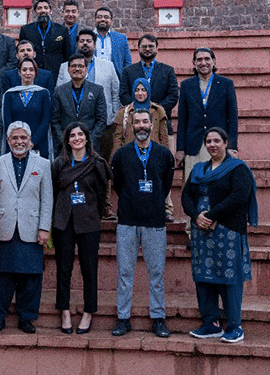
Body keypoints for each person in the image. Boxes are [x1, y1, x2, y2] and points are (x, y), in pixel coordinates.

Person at [183, 127, 257, 344]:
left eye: (217, 141)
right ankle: (211, 324)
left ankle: (234, 326)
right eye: (208, 141)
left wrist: (212, 215)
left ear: (226, 143)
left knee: (229, 278)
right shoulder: (198, 169)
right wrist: (196, 216)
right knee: (203, 277)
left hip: (228, 231)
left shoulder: (237, 168)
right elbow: (186, 196)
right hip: (201, 232)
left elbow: (239, 197)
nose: (212, 145)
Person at [110, 108, 175, 338]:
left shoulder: (164, 154)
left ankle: (158, 318)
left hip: (154, 220)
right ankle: (123, 318)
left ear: (152, 125)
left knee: (156, 272)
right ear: (131, 126)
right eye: (136, 122)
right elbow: (118, 184)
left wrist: (153, 202)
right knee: (125, 272)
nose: (141, 126)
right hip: (127, 220)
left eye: (145, 122)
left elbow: (166, 184)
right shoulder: (121, 154)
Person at [0, 122, 52, 334]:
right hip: (4, 227)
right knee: (2, 278)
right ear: (8, 141)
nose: (19, 141)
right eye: (14, 138)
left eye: (23, 137)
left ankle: (27, 317)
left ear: (30, 140)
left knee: (30, 277)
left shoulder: (43, 164)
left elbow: (47, 199)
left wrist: (44, 227)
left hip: (31, 228)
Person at [50, 122, 111, 335]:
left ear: (86, 138)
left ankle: (88, 312)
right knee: (64, 268)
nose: (77, 138)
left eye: (80, 134)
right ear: (67, 140)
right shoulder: (59, 164)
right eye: (72, 135)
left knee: (89, 269)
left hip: (89, 220)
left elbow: (102, 194)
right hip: (64, 220)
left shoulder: (97, 163)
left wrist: (94, 212)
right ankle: (64, 311)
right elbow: (54, 190)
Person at [176, 47, 239, 185]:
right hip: (194, 145)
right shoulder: (187, 85)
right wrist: (180, 149)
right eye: (199, 59)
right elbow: (182, 120)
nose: (203, 63)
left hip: (218, 144)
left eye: (207, 59)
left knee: (217, 185)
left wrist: (232, 147)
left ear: (213, 61)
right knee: (193, 186)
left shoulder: (226, 84)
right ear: (194, 63)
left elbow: (233, 118)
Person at [56, 29, 120, 140]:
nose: (85, 43)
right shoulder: (64, 67)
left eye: (89, 41)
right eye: (82, 41)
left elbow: (116, 93)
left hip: (104, 124)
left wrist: (113, 116)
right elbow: (59, 95)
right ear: (77, 44)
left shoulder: (108, 66)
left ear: (94, 44)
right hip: (71, 127)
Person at [120, 34, 179, 136]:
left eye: (151, 46)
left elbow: (173, 96)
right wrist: (140, 110)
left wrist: (154, 110)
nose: (147, 49)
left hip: (161, 121)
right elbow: (124, 95)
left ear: (157, 49)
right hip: (135, 124)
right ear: (138, 49)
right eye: (144, 46)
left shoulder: (168, 70)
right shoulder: (128, 71)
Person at [51, 54, 107, 157]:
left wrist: (88, 141)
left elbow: (102, 119)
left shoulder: (97, 90)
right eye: (74, 66)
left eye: (81, 66)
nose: (77, 69)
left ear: (86, 69)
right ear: (68, 69)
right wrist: (65, 141)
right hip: (65, 148)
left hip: (91, 147)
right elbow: (55, 120)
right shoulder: (59, 91)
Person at [2, 58, 53, 159]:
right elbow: (8, 122)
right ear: (19, 72)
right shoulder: (10, 94)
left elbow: (45, 121)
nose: (28, 73)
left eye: (31, 70)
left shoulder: (43, 93)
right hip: (15, 145)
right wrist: (19, 141)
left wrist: (32, 142)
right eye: (24, 70)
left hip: (38, 145)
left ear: (35, 72)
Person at [18, 0, 71, 82]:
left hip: (55, 72)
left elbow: (67, 54)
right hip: (33, 72)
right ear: (35, 12)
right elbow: (21, 51)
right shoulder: (26, 30)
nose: (43, 11)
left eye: (46, 8)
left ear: (51, 11)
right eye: (39, 8)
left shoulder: (62, 30)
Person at [92, 6, 132, 78]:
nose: (103, 19)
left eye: (106, 17)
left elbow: (127, 63)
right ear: (94, 20)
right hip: (92, 79)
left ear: (111, 20)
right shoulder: (87, 37)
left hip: (115, 80)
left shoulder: (121, 38)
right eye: (99, 17)